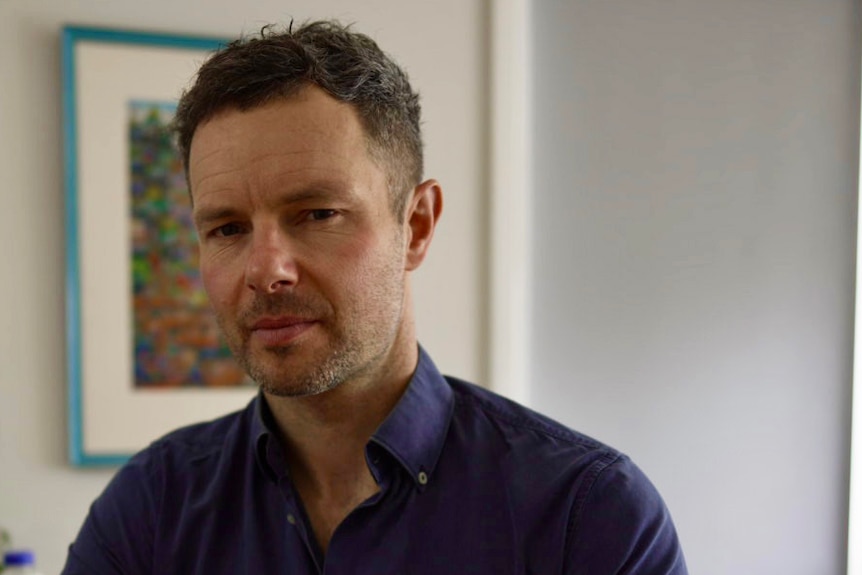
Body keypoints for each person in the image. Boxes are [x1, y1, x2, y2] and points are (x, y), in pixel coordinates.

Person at [62, 20, 688, 574]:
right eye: (227, 228)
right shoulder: (149, 510)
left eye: (317, 213)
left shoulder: (587, 514)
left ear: (415, 226)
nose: (266, 269)